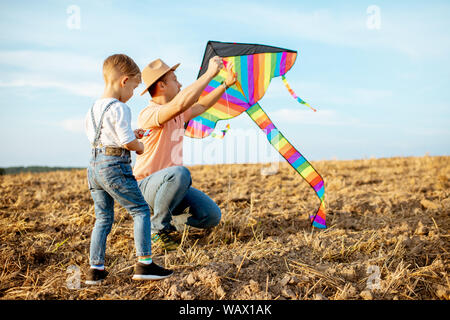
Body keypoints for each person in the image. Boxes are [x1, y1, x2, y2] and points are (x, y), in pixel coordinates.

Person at [84, 54, 173, 284]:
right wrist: (139, 145)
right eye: (134, 87)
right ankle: (144, 264)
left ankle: (96, 269)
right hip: (115, 165)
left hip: (94, 167)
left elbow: (104, 137)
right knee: (141, 210)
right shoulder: (120, 108)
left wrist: (131, 135)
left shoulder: (94, 108)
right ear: (124, 81)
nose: (133, 94)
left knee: (102, 218)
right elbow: (127, 143)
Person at [132, 56, 237, 250]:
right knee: (180, 173)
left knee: (211, 215)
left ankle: (169, 222)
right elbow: (180, 104)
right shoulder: (149, 114)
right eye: (175, 79)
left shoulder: (178, 113)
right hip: (145, 187)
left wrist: (225, 85)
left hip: (171, 185)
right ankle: (156, 229)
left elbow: (202, 105)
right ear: (162, 85)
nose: (179, 84)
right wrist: (209, 73)